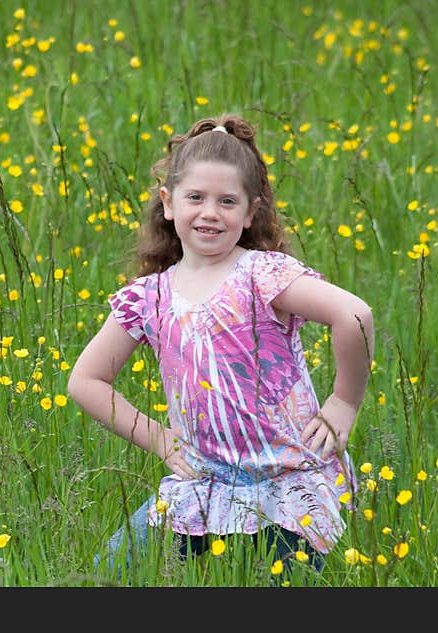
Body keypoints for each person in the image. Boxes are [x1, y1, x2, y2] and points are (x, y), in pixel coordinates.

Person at [67, 114, 374, 580]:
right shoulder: (148, 297)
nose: (210, 212)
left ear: (250, 212)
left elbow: (355, 316)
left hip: (288, 484)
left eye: (227, 201)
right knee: (111, 574)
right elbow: (86, 381)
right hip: (202, 483)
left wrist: (344, 403)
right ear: (168, 203)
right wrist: (160, 440)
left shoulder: (262, 276)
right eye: (196, 198)